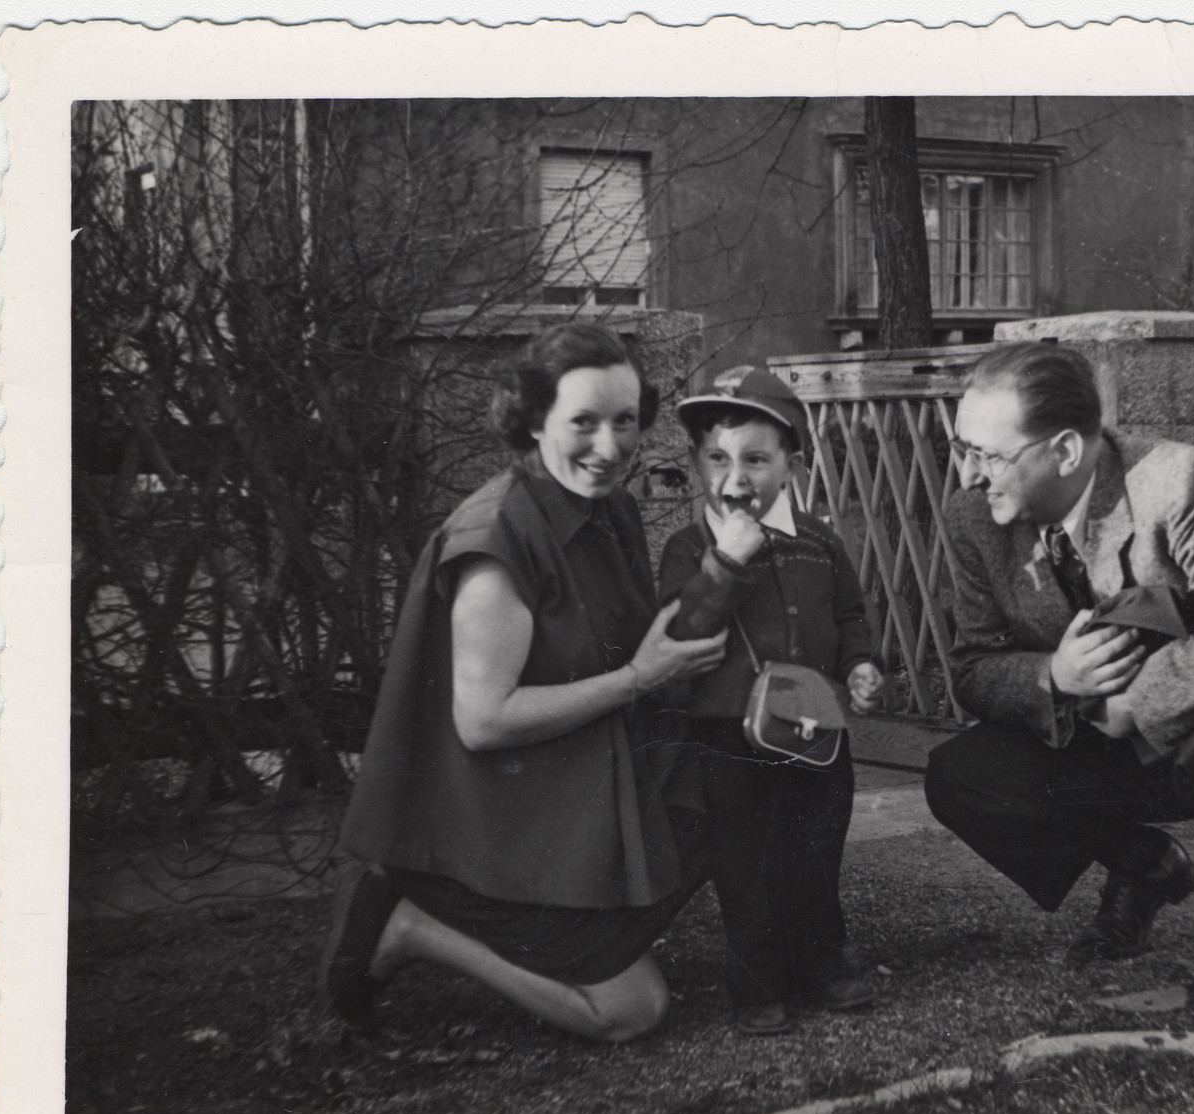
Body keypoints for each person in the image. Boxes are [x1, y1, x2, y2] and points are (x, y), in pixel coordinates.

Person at [924, 341, 1194, 1036]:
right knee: (963, 776)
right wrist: (1053, 677)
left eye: (990, 455)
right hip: (1098, 736)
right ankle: (1147, 865)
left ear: (1067, 452)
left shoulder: (1178, 482)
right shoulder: (973, 518)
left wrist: (1138, 700)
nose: (971, 473)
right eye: (963, 449)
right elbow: (975, 668)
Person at [320, 323, 728, 1043]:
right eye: (583, 423)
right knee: (631, 1012)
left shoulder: (610, 510)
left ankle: (581, 930)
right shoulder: (496, 537)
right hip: (487, 821)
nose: (609, 447)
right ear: (534, 420)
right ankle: (410, 921)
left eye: (625, 421)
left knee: (736, 785)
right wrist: (640, 678)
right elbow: (485, 721)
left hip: (562, 787)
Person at [657, 367, 885, 1036]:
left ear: (791, 461)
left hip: (815, 726)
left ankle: (823, 961)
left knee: (816, 846)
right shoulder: (689, 547)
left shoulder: (819, 543)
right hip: (728, 735)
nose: (737, 477)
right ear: (699, 463)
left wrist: (863, 663)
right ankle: (758, 981)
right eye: (718, 459)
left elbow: (850, 616)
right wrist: (723, 564)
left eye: (756, 459)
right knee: (745, 859)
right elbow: (680, 630)